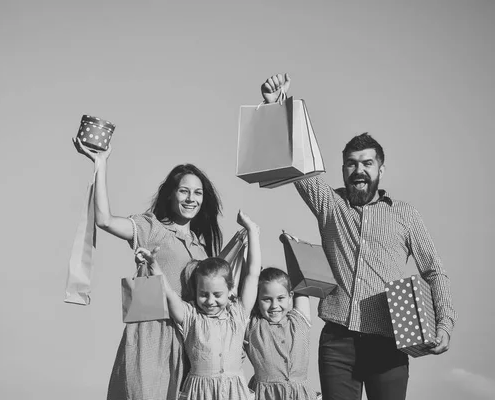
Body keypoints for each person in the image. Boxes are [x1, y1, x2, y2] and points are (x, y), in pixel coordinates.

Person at [258, 74, 457, 400]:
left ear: (381, 169)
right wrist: (276, 108)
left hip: (390, 341)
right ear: (343, 169)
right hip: (337, 341)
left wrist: (445, 323)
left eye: (367, 163)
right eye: (351, 164)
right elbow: (298, 166)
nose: (358, 169)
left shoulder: (404, 214)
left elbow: (434, 270)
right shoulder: (330, 205)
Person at [72, 139, 223, 400]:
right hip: (151, 337)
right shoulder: (152, 228)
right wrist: (101, 163)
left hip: (189, 346)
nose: (191, 198)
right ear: (171, 194)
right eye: (184, 191)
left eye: (197, 193)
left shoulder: (201, 248)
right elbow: (104, 221)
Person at [137, 210, 261, 400]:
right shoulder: (191, 316)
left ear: (230, 290)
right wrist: (153, 266)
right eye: (204, 295)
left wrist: (251, 231)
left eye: (217, 295)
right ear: (196, 292)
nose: (210, 301)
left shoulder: (238, 313)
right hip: (199, 392)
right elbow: (168, 293)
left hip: (234, 393)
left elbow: (253, 273)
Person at [245, 267, 320, 400]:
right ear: (256, 299)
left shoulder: (299, 321)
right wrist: (246, 246)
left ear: (290, 296)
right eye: (267, 299)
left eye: (280, 298)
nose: (274, 305)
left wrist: (290, 245)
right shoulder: (253, 325)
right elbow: (247, 279)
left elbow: (299, 277)